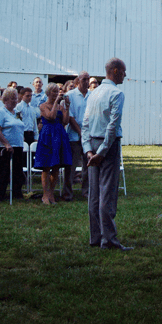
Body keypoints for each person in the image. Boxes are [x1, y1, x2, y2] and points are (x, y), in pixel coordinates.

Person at [82, 58, 130, 250]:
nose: (125, 75)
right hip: (107, 146)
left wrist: (88, 150)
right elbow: (113, 126)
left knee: (94, 194)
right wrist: (101, 153)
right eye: (124, 71)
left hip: (93, 143)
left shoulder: (93, 93)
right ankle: (108, 240)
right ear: (115, 71)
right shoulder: (116, 93)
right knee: (107, 194)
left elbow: (85, 123)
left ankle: (96, 237)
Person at [34, 82, 72, 205]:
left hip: (59, 134)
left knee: (56, 165)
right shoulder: (42, 106)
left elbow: (65, 121)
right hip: (47, 135)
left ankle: (51, 193)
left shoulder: (61, 107)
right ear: (48, 93)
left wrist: (67, 107)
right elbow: (51, 116)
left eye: (57, 91)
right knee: (46, 166)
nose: (56, 93)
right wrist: (56, 102)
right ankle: (45, 194)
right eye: (54, 92)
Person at [0, 87, 26, 202]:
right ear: (5, 100)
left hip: (18, 145)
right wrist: (6, 144)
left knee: (18, 171)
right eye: (12, 99)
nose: (15, 101)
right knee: (4, 171)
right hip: (5, 147)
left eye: (16, 99)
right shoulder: (1, 112)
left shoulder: (17, 113)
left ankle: (17, 193)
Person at [64, 72, 91, 201]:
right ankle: (67, 193)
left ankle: (86, 192)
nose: (86, 82)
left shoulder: (92, 95)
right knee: (71, 166)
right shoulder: (70, 95)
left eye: (88, 79)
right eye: (84, 79)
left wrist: (87, 134)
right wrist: (80, 133)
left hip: (89, 135)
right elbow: (70, 117)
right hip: (74, 136)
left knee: (88, 165)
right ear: (78, 81)